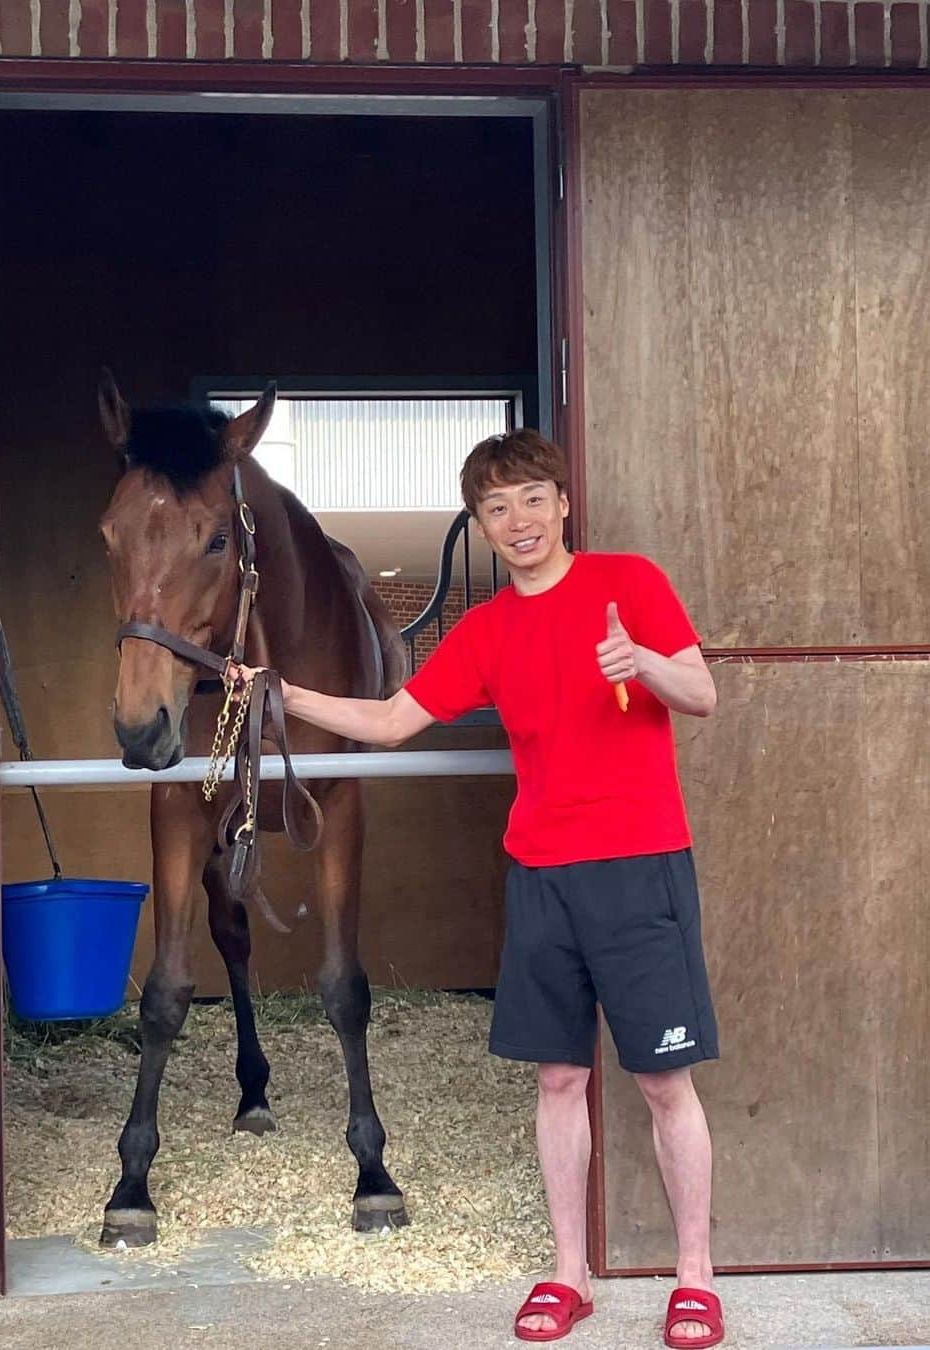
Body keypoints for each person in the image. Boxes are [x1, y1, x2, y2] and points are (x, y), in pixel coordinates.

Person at [232, 429, 723, 1348]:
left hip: (638, 864)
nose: (518, 520)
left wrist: (640, 665)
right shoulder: (487, 630)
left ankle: (695, 1280)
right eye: (496, 508)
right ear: (483, 525)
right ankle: (568, 1275)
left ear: (563, 503)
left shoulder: (630, 584)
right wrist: (282, 694)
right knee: (559, 1075)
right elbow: (387, 720)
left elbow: (699, 692)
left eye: (533, 498)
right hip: (540, 872)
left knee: (663, 1081)